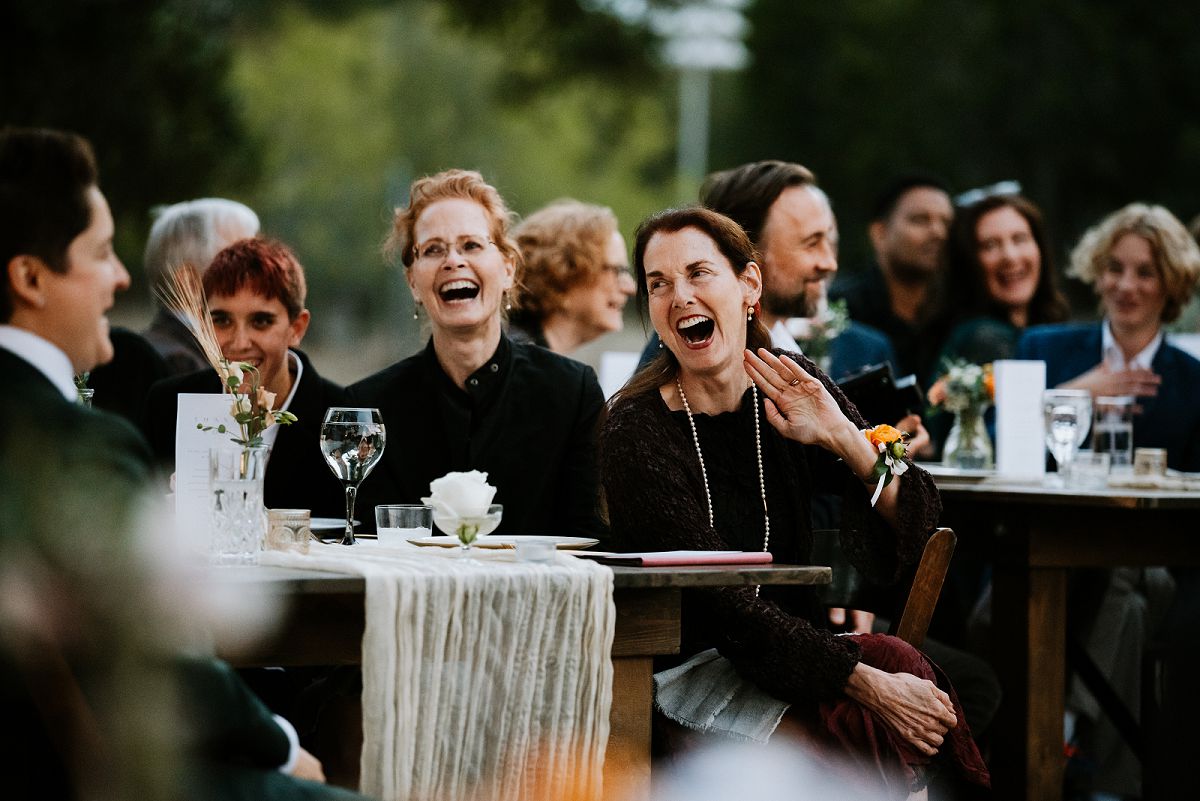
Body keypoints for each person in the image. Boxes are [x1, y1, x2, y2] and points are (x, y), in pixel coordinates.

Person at [0, 126, 357, 801]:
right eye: (103, 252)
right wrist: (283, 747)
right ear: (30, 277)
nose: (123, 277)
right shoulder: (71, 440)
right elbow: (162, 657)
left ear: (296, 325)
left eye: (262, 319)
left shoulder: (336, 408)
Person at [601, 207, 989, 798]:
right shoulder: (636, 429)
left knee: (914, 688)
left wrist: (844, 439)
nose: (679, 296)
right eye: (659, 283)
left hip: (803, 655)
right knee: (858, 735)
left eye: (699, 273)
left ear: (748, 286)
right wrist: (864, 682)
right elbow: (723, 609)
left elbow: (923, 516)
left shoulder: (792, 383)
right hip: (694, 674)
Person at [348, 169, 605, 537]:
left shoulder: (572, 394)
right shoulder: (369, 408)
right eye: (433, 249)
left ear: (507, 268)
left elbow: (589, 541)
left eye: (471, 245)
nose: (453, 261)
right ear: (413, 283)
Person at [141, 237, 348, 518]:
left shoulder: (340, 417)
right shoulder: (167, 404)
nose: (240, 343)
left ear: (296, 328)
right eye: (222, 320)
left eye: (260, 321)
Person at [1017, 202, 1200, 469]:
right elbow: (998, 445)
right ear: (1098, 273)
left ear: (1171, 284)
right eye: (1114, 268)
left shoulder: (1193, 382)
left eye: (1145, 273)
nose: (1126, 285)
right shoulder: (1040, 349)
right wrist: (1072, 396)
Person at [831, 175, 954, 380]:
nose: (938, 232)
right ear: (879, 233)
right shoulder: (841, 309)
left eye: (947, 223)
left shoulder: (958, 312)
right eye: (920, 220)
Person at [142, 198, 261, 374]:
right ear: (190, 282)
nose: (262, 275)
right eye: (243, 261)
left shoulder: (165, 353)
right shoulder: (178, 365)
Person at [510, 199, 636, 354]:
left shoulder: (526, 356)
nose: (631, 288)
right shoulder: (520, 366)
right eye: (617, 270)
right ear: (561, 274)